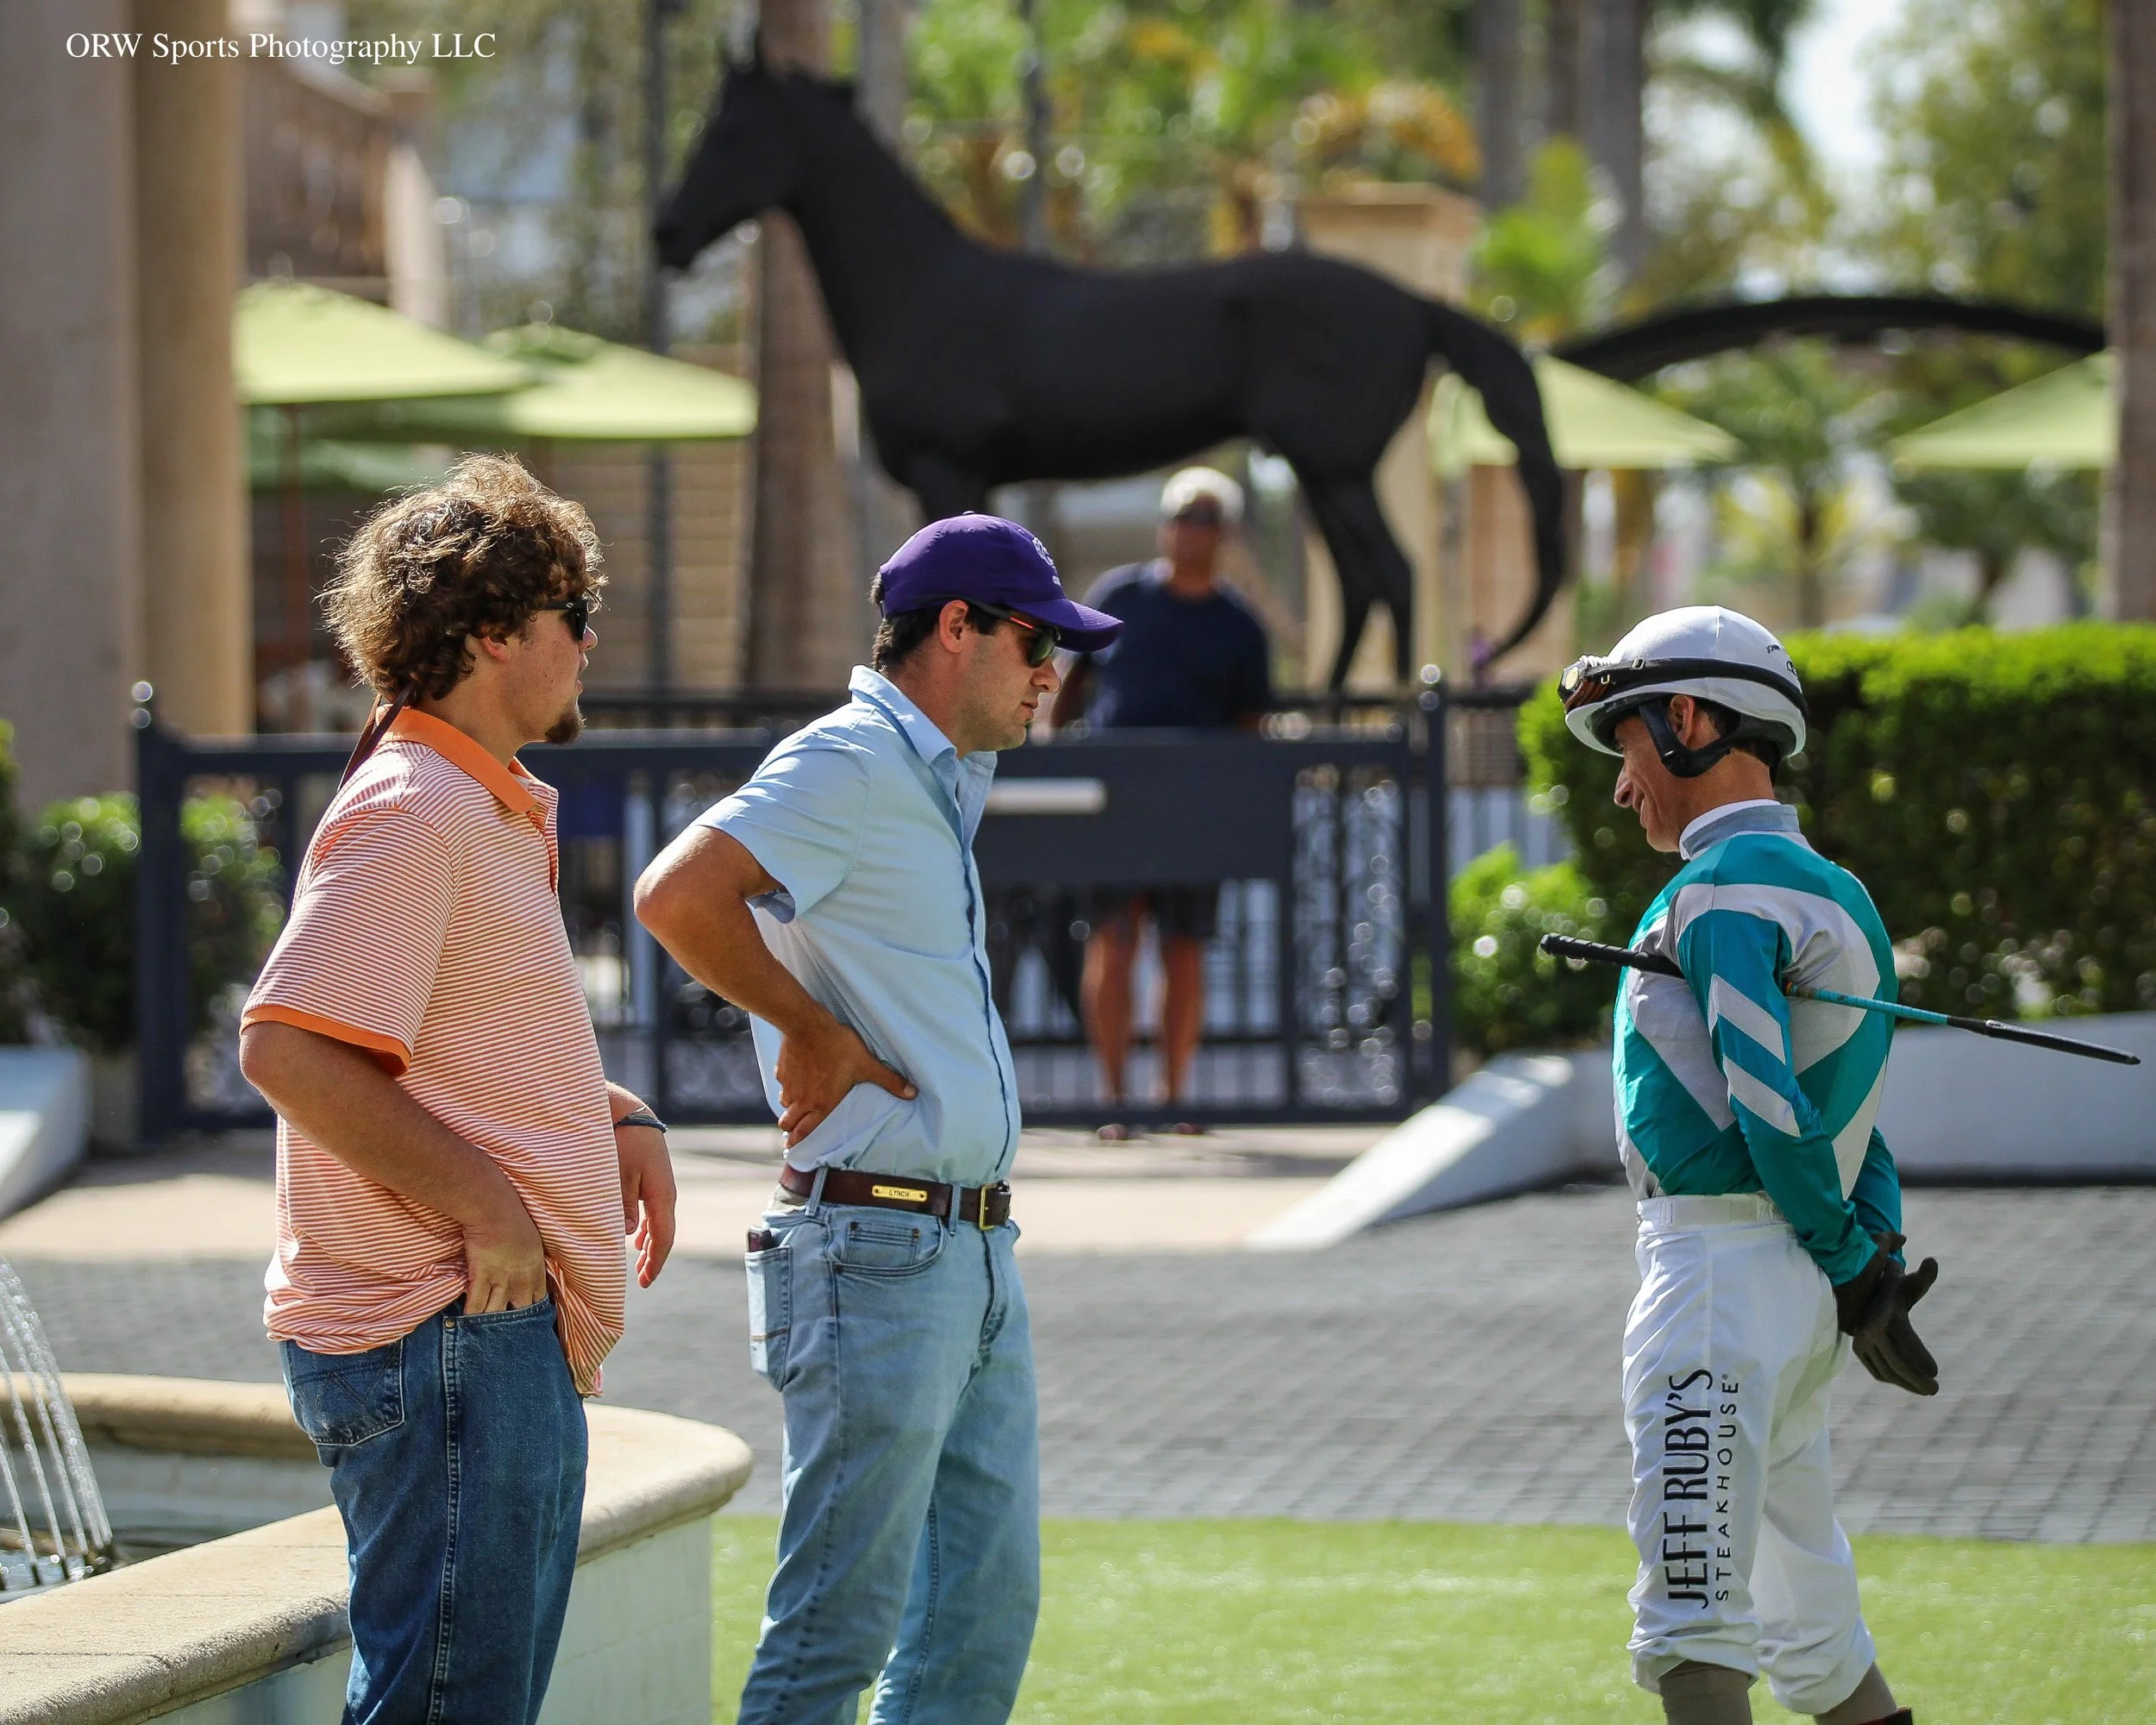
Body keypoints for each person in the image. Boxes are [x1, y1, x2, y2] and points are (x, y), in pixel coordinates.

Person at [633, 514, 1119, 1725]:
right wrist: (807, 1030)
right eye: (1036, 641)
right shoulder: (851, 760)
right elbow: (677, 895)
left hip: (965, 1246)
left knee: (977, 1625)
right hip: (877, 1247)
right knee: (833, 1639)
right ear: (957, 628)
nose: (1051, 671)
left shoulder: (929, 771)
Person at [236, 455, 678, 1725]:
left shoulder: (462, 801)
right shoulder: (417, 808)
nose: (588, 644)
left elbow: (446, 1043)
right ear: (493, 633)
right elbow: (288, 1049)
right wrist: (490, 1204)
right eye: (573, 616)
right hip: (447, 1330)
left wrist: (610, 1116)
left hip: (471, 1336)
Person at [1558, 605, 1939, 1725]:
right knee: (1816, 1636)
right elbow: (1852, 1112)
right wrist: (1866, 1259)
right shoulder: (1841, 891)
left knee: (1694, 1629)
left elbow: (1769, 1103)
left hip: (1716, 1284)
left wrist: (1851, 1259)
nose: (1621, 787)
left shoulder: (1718, 888)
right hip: (1798, 1294)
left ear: (1687, 720)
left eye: (1626, 745)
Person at [1049, 466, 1270, 1126]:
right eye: (1180, 517)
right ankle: (1114, 1099)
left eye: (1205, 519)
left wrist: (1232, 800)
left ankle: (1174, 1096)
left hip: (1195, 801)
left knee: (1184, 946)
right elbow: (1070, 686)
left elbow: (1250, 723)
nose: (1190, 531)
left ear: (1225, 533)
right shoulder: (1120, 595)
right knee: (1114, 939)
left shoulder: (1239, 624)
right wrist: (1054, 755)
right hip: (1117, 793)